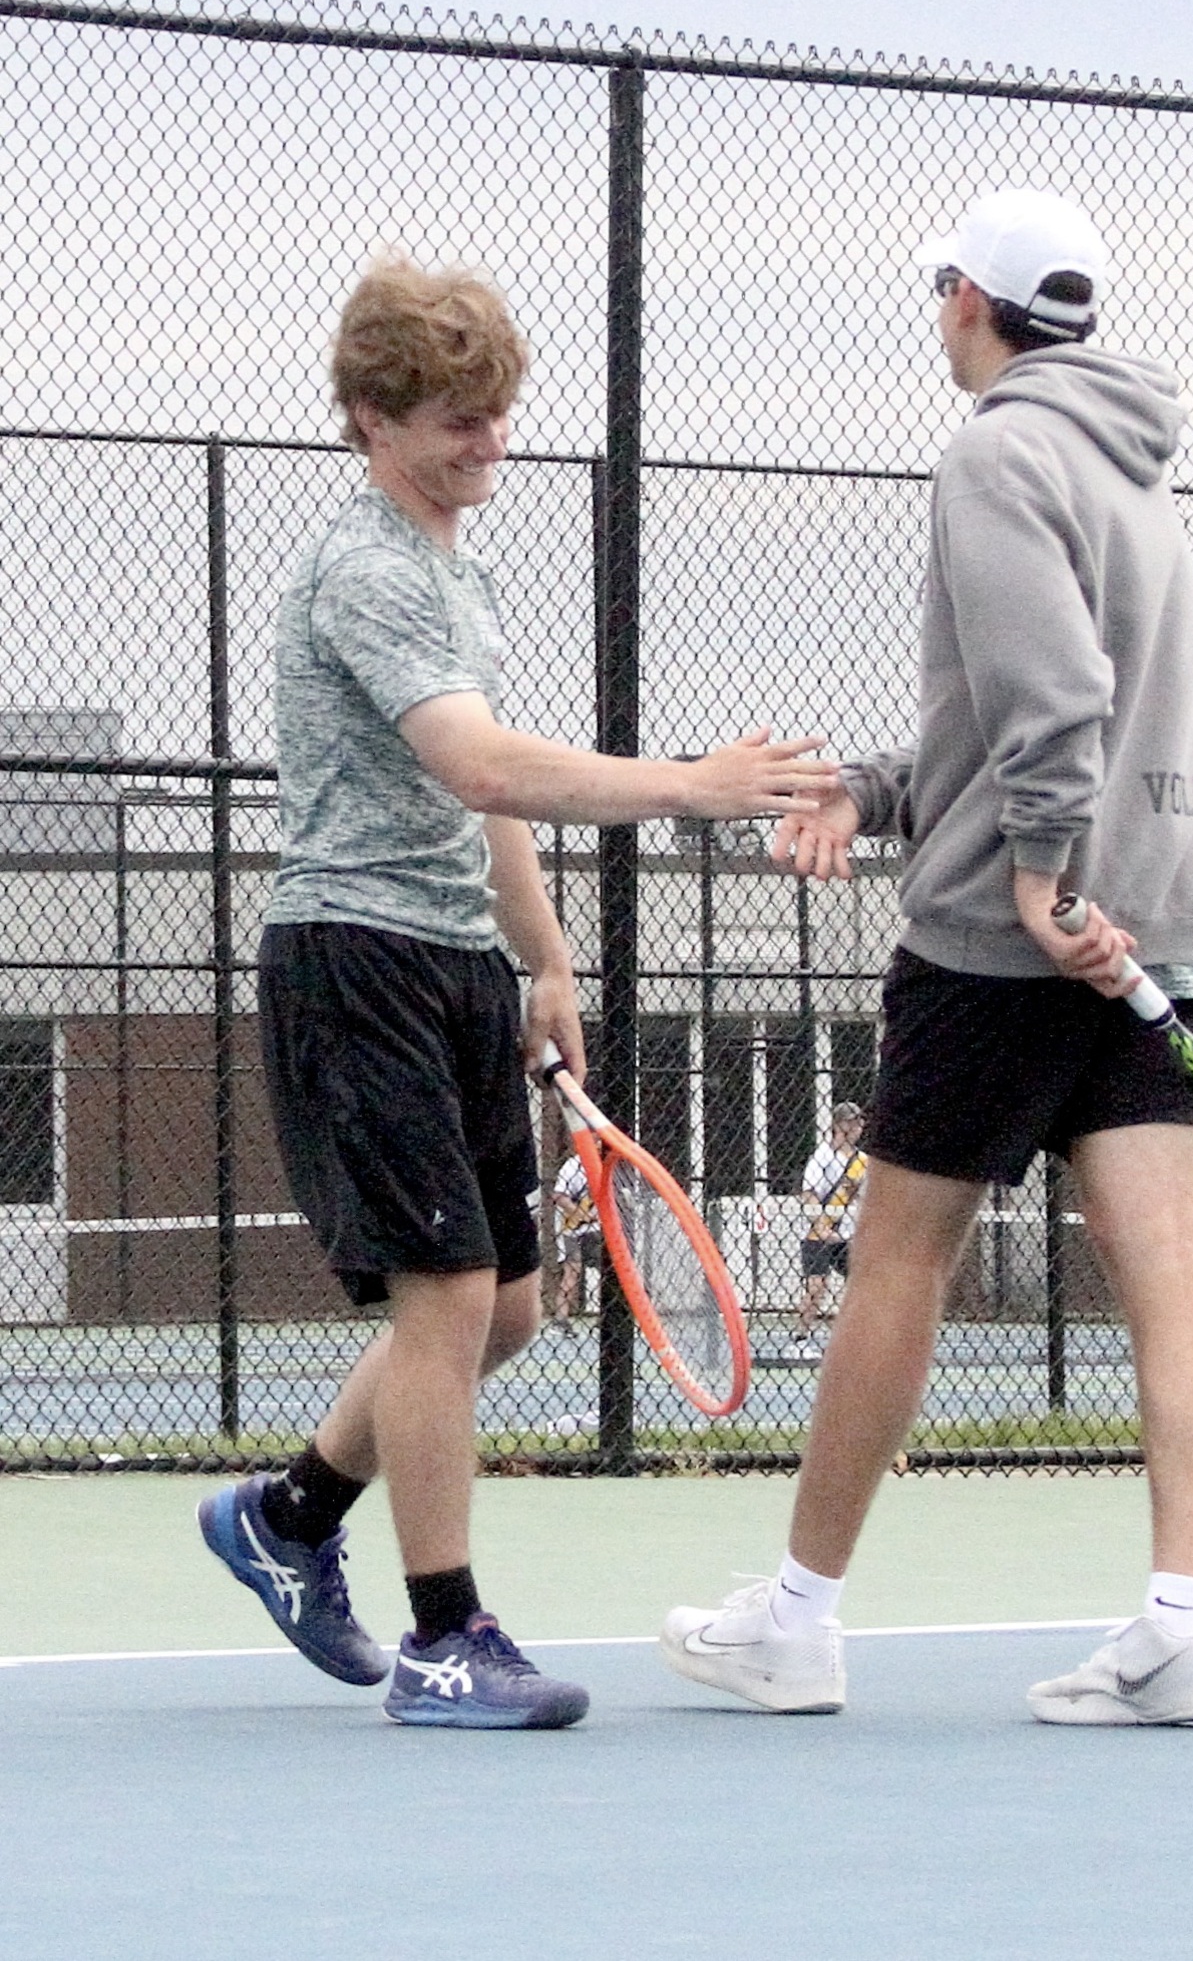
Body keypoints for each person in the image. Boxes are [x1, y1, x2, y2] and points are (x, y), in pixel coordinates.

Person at [197, 256, 836, 1730]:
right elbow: (484, 763)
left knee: (507, 1314)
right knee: (446, 1302)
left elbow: (480, 804)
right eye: (454, 419)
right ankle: (444, 1638)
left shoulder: (455, 574)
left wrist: (542, 960)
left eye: (497, 413)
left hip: (457, 965)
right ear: (367, 417)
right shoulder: (363, 571)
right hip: (353, 956)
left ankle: (288, 1518)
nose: (489, 442)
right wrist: (695, 787)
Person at [661, 189, 1193, 1727]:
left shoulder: (996, 450)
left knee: (898, 1255)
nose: (940, 315)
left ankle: (796, 1621)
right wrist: (875, 789)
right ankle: (1192, 1619)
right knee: (1168, 1257)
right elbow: (1024, 725)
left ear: (969, 303)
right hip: (1162, 922)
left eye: (944, 291)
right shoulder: (1135, 471)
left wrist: (1048, 883)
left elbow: (1052, 699)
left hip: (1017, 933)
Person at [794, 1103, 866, 1337]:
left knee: (863, 1282)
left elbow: (860, 1198)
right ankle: (801, 1335)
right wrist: (821, 1227)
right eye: (851, 1122)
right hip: (818, 1232)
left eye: (858, 1122)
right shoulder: (823, 1157)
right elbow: (810, 1194)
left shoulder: (862, 1161)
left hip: (845, 1234)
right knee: (817, 1287)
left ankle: (855, 1333)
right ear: (838, 1125)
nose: (858, 1127)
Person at [551, 1151, 601, 1327]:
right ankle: (561, 1318)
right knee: (573, 1270)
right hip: (571, 1228)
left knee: (609, 1269)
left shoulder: (605, 1165)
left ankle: (607, 1315)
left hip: (596, 1228)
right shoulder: (573, 1166)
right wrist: (580, 1214)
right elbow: (559, 1196)